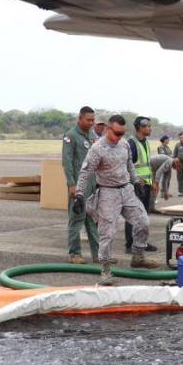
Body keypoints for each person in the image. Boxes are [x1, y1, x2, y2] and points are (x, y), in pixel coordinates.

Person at [75, 115, 160, 285]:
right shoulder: (97, 149)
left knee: (142, 221)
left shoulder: (124, 144)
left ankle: (138, 256)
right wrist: (79, 195)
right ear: (108, 129)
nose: (119, 137)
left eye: (122, 133)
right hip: (108, 193)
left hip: (126, 189)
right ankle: (105, 271)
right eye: (116, 133)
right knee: (107, 233)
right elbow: (86, 172)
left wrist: (136, 181)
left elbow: (129, 165)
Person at [61, 106, 101, 264]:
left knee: (92, 220)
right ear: (80, 118)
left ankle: (98, 255)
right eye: (88, 120)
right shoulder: (71, 136)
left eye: (93, 120)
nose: (91, 123)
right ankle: (74, 254)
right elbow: (67, 162)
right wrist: (71, 184)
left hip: (92, 185)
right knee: (77, 218)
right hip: (78, 185)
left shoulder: (91, 135)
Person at [125, 116, 158, 253]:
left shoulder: (145, 142)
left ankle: (141, 242)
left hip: (146, 185)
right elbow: (127, 165)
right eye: (148, 126)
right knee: (134, 215)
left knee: (143, 216)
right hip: (136, 186)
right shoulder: (132, 144)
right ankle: (130, 244)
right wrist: (137, 181)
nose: (150, 128)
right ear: (140, 127)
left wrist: (152, 181)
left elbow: (146, 165)